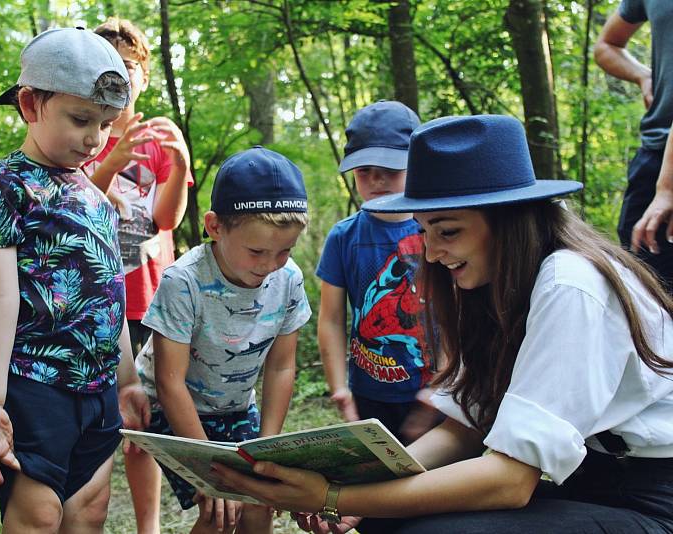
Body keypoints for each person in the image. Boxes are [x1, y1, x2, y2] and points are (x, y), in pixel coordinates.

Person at [212, 115, 673, 534]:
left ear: (510, 220)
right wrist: (361, 493)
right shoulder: (495, 285)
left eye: (447, 231)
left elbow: (511, 480)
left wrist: (333, 498)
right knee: (387, 521)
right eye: (424, 230)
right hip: (591, 480)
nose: (430, 252)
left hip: (651, 497)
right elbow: (466, 429)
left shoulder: (569, 283)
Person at [0, 27, 149, 531]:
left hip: (98, 387)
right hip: (35, 384)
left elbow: (112, 293)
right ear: (30, 104)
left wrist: (128, 379)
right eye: (80, 119)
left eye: (106, 123)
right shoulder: (1, 186)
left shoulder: (94, 196)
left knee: (89, 509)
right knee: (39, 513)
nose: (95, 138)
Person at [138, 146, 312, 533]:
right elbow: (169, 382)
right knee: (220, 510)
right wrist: (206, 471)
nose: (269, 265)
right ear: (215, 226)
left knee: (260, 501)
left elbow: (282, 366)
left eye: (285, 251)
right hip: (172, 406)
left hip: (234, 405)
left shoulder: (289, 280)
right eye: (256, 251)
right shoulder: (183, 282)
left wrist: (269, 452)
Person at [83, 18, 193, 533]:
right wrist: (112, 160)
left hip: (150, 298)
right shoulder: (83, 132)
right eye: (107, 66)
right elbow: (78, 204)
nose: (119, 75)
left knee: (143, 421)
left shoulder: (159, 136)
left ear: (143, 77)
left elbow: (168, 218)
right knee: (99, 421)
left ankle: (147, 526)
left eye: (128, 67)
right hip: (94, 300)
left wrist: (181, 159)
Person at [317, 100, 439, 442]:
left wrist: (444, 384)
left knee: (439, 485)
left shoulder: (438, 229)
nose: (377, 179)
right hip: (369, 391)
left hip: (433, 391)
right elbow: (330, 318)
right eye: (364, 170)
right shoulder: (344, 237)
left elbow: (459, 312)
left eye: (391, 168)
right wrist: (340, 388)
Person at [595, 0, 673, 288]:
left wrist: (667, 187)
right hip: (655, 153)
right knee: (643, 290)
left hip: (665, 178)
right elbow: (606, 44)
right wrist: (643, 75)